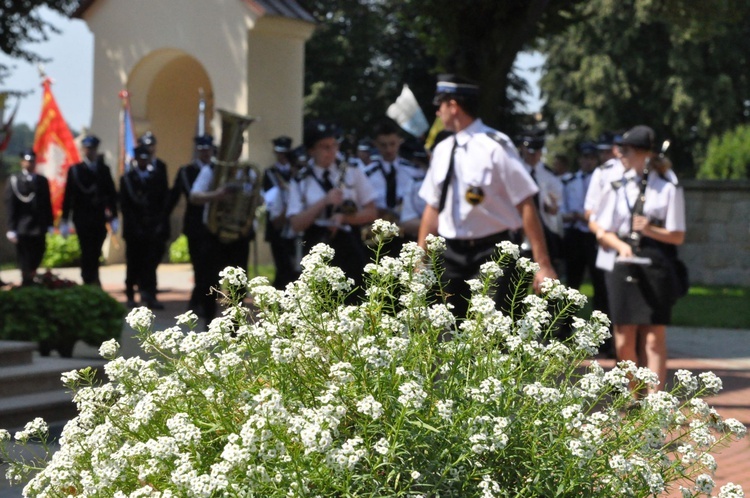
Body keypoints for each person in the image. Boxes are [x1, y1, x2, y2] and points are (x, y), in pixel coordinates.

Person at [417, 74, 556, 320]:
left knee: (490, 334)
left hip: (493, 251)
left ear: (453, 105)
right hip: (450, 254)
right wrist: (420, 259)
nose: (437, 112)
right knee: (448, 332)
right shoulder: (442, 149)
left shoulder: (496, 146)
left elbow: (526, 203)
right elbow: (432, 207)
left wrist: (542, 264)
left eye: (440, 105)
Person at [592, 125, 686, 392]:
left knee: (654, 337)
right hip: (622, 262)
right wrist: (621, 245)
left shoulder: (668, 186)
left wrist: (649, 229)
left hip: (656, 261)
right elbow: (603, 231)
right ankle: (634, 395)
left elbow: (677, 235)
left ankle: (654, 401)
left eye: (626, 151)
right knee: (623, 338)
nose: (620, 155)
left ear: (643, 154)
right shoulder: (616, 184)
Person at [287, 120, 377, 292]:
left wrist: (344, 217)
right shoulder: (300, 180)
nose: (332, 152)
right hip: (316, 240)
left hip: (349, 240)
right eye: (324, 147)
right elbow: (295, 224)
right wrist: (324, 202)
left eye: (334, 146)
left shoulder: (352, 169)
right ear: (311, 150)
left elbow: (372, 211)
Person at [190, 135, 259, 321]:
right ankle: (210, 322)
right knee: (209, 281)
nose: (234, 152)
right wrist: (217, 195)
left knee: (238, 283)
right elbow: (194, 196)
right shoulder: (211, 170)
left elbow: (256, 200)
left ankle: (235, 326)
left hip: (238, 235)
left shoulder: (248, 172)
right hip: (214, 233)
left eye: (237, 148)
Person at [60, 134, 119, 286]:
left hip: (99, 218)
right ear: (83, 150)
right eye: (87, 149)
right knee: (86, 249)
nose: (90, 152)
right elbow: (69, 196)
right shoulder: (75, 170)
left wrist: (114, 217)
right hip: (82, 217)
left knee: (96, 249)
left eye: (92, 149)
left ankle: (94, 275)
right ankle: (88, 278)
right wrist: (65, 219)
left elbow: (111, 194)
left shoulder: (103, 169)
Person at [166, 134, 214, 313]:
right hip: (195, 226)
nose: (205, 153)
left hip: (213, 225)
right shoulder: (187, 171)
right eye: (202, 150)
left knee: (210, 266)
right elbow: (182, 196)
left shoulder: (216, 169)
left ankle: (201, 301)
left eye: (208, 149)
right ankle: (197, 302)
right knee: (199, 265)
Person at [120, 144, 169, 309]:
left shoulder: (155, 177)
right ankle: (130, 294)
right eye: (140, 158)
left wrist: (157, 223)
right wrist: (135, 226)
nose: (143, 161)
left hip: (151, 228)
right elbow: (126, 206)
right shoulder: (127, 178)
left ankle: (150, 295)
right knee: (133, 263)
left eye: (145, 159)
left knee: (150, 263)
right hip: (134, 229)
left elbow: (161, 201)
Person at [363, 119, 422, 254]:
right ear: (375, 144)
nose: (389, 149)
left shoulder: (414, 171)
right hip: (376, 235)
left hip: (407, 234)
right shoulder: (366, 174)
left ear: (400, 142)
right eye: (383, 145)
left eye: (392, 144)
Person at [5, 149, 53, 285]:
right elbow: (10, 205)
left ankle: (32, 275)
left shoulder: (42, 180)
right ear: (22, 162)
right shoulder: (14, 180)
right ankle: (27, 280)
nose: (30, 164)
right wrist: (11, 227)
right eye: (27, 161)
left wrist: (49, 223)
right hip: (22, 226)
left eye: (32, 161)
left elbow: (46, 204)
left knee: (39, 251)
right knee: (24, 256)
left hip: (38, 225)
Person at [519, 131, 564, 270]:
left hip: (545, 227)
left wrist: (552, 206)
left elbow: (557, 205)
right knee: (518, 278)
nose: (532, 156)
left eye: (535, 153)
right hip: (519, 229)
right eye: (529, 152)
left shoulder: (549, 175)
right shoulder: (516, 170)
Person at [262, 135, 301, 289]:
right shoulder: (270, 173)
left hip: (294, 226)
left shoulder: (296, 172)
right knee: (282, 265)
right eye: (280, 152)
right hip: (277, 224)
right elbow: (269, 199)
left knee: (292, 267)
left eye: (285, 153)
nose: (282, 156)